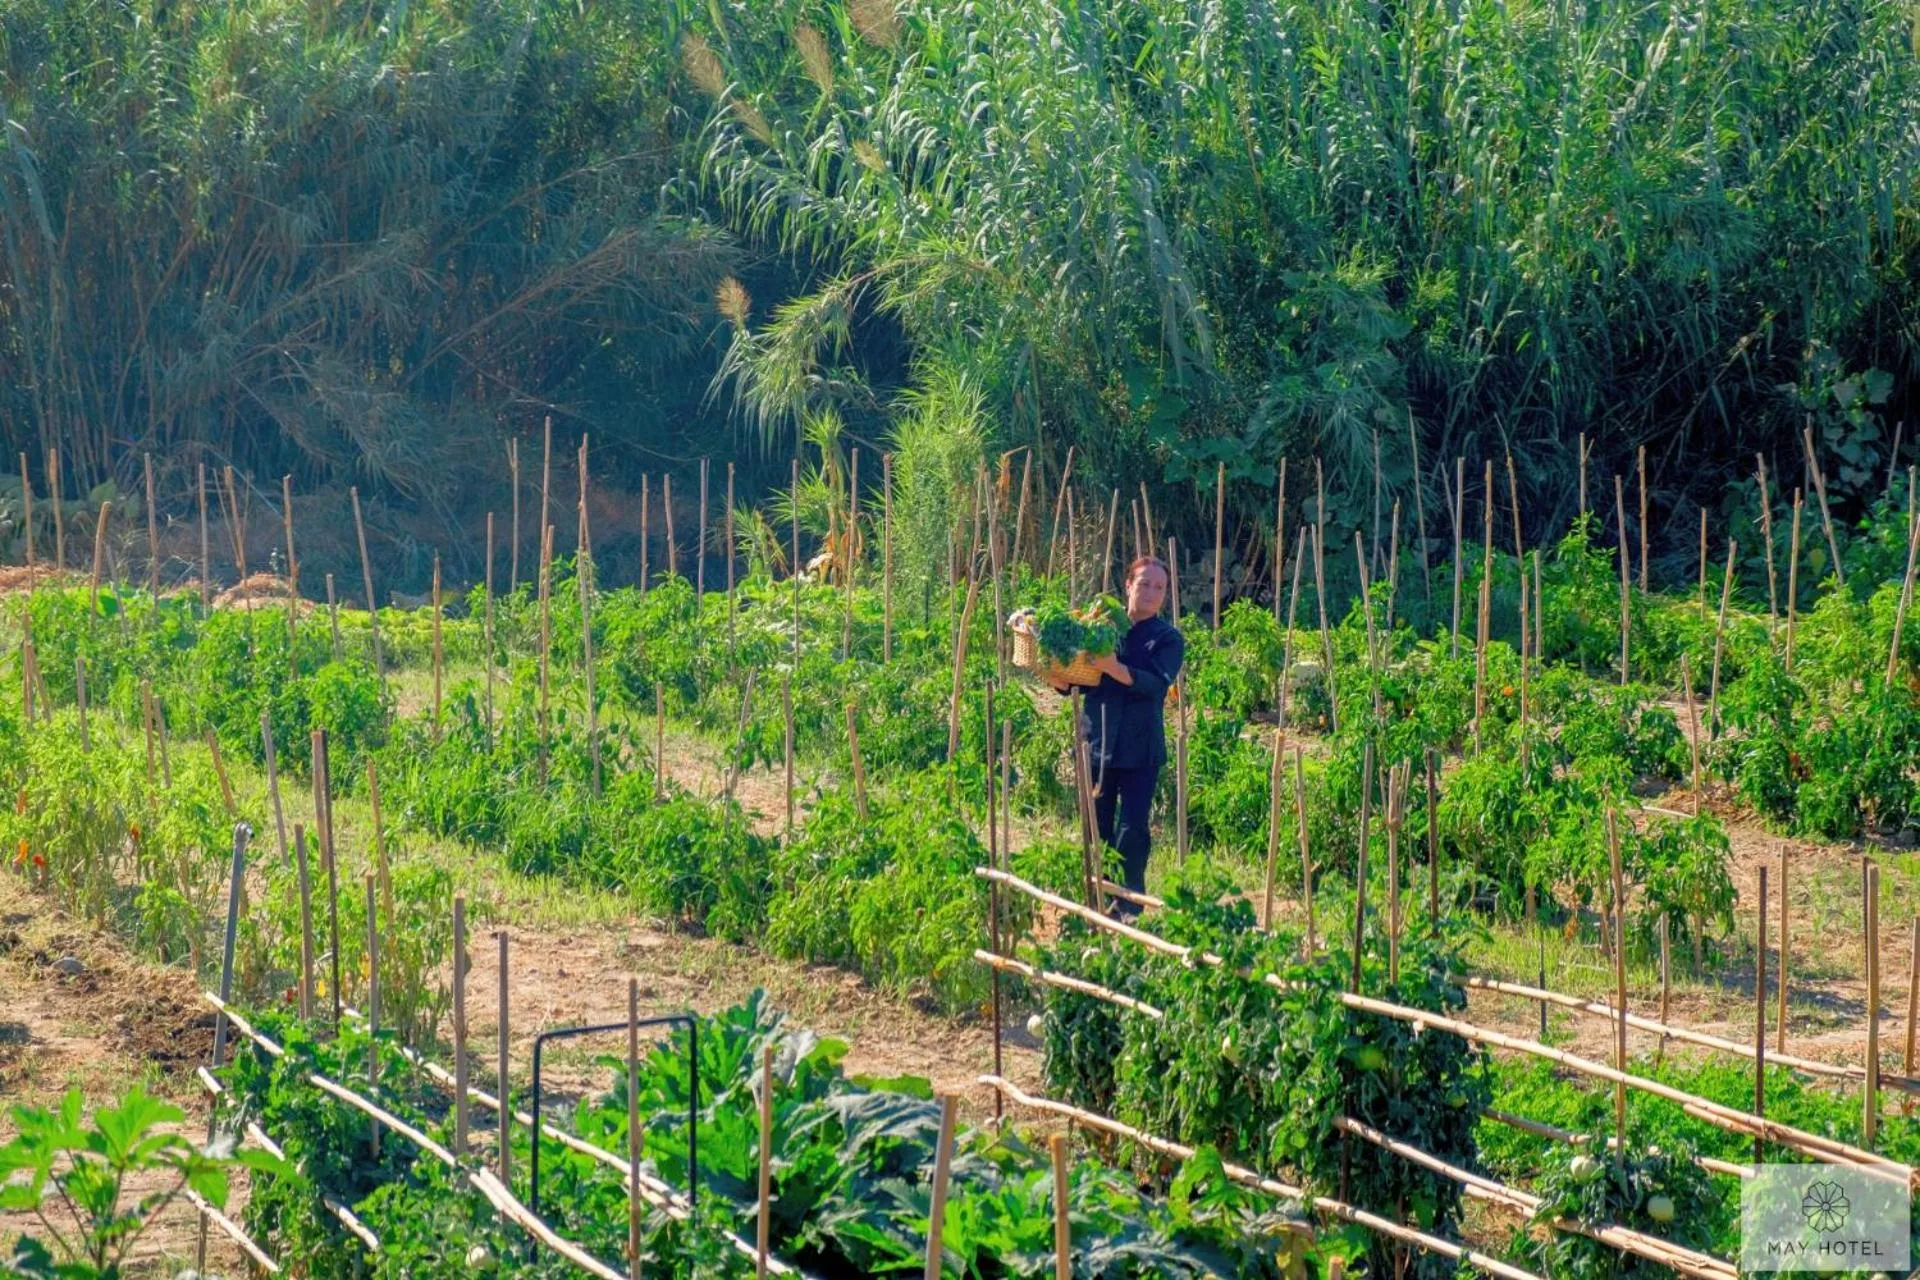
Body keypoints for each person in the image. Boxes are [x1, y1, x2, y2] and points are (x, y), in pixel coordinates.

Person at [1053, 555, 1184, 916]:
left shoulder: (1168, 639)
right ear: (1128, 586)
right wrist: (1055, 677)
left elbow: (1156, 684)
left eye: (1159, 587)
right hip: (1096, 742)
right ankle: (1096, 897)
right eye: (1144, 584)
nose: (1151, 593)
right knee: (1096, 825)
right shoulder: (1101, 629)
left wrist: (1114, 667)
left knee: (1133, 828)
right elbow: (1077, 679)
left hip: (1140, 748)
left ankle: (1129, 902)